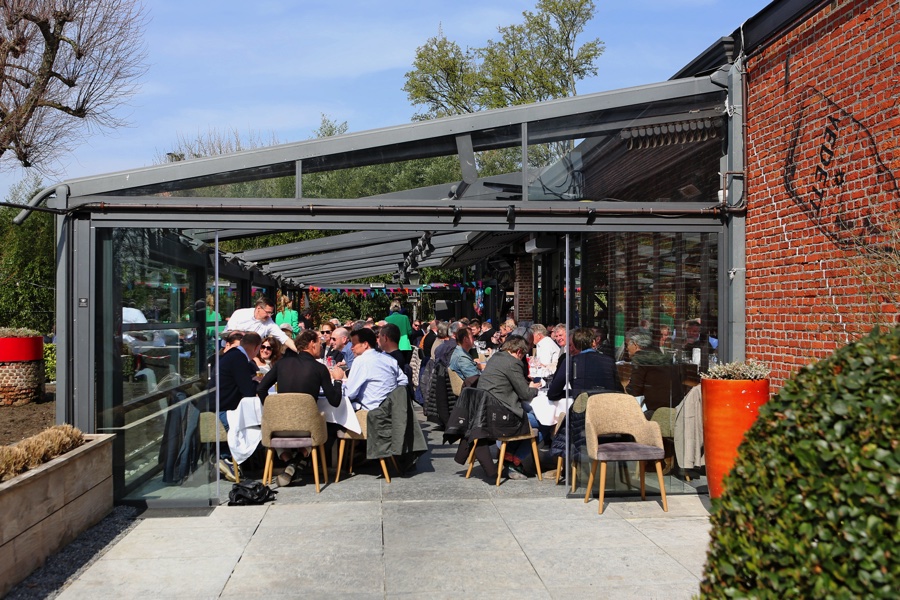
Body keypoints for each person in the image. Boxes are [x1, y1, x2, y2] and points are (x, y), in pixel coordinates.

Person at [476, 335, 542, 480]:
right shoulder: (513, 363)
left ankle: (508, 456)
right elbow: (525, 394)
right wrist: (535, 388)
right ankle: (515, 461)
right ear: (519, 352)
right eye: (523, 355)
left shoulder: (495, 358)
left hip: (485, 413)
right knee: (543, 422)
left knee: (531, 419)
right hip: (501, 416)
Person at [210, 331, 262, 481]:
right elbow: (248, 392)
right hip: (221, 412)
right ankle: (226, 458)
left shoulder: (233, 356)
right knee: (260, 430)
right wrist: (256, 382)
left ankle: (227, 458)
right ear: (256, 348)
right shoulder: (239, 359)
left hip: (217, 407)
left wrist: (251, 380)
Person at [333, 327, 407, 411]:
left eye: (354, 344)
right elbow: (403, 381)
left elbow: (349, 393)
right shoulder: (389, 359)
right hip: (392, 409)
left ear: (365, 344)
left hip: (370, 412)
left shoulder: (360, 361)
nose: (351, 348)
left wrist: (338, 383)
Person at [547, 328, 622, 401]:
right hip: (607, 405)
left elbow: (553, 393)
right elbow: (619, 390)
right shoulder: (609, 361)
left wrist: (573, 392)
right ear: (593, 342)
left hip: (583, 406)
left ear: (575, 344)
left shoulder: (571, 361)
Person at [627, 331, 679, 417]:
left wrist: (626, 387)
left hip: (656, 410)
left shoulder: (640, 357)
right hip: (674, 407)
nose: (627, 348)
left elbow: (634, 390)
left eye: (628, 345)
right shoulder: (660, 355)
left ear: (635, 345)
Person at [224, 297, 298, 353]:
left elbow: (285, 339)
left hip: (250, 354)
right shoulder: (240, 314)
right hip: (230, 351)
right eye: (267, 312)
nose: (269, 316)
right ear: (258, 308)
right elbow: (229, 334)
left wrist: (300, 352)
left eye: (271, 313)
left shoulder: (269, 322)